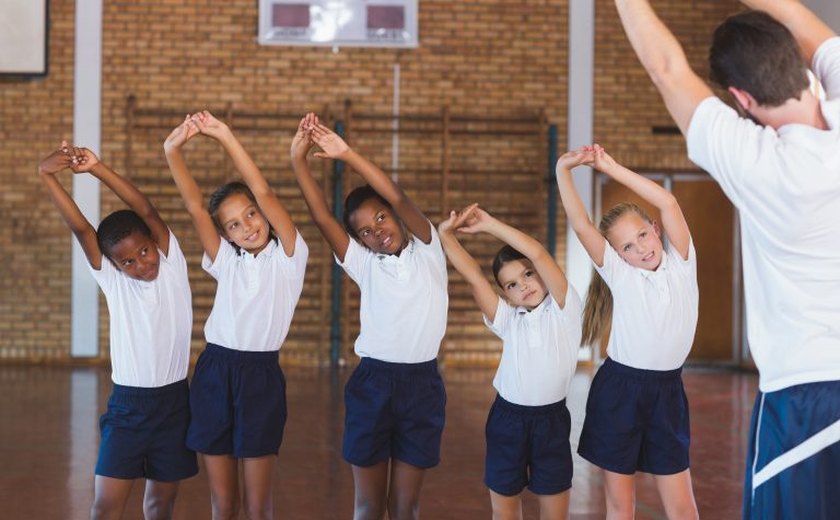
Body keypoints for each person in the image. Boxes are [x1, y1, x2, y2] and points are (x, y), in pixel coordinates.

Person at [612, 0, 840, 516]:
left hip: (804, 393)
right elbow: (801, 19)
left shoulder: (761, 164)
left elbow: (666, 68)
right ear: (804, 67)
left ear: (739, 97)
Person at [290, 113, 448, 520]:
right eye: (364, 231)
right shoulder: (365, 265)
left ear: (396, 218)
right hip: (373, 384)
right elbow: (323, 219)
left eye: (380, 218)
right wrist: (298, 162)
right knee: (367, 505)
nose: (376, 231)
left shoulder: (428, 247)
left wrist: (347, 154)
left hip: (422, 385)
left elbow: (394, 194)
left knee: (405, 506)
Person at [38, 142, 197, 520]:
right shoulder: (116, 282)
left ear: (154, 243)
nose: (141, 264)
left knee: (161, 503)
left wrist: (97, 168)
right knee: (105, 505)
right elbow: (81, 228)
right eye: (127, 261)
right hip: (128, 407)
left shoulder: (172, 263)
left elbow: (145, 208)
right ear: (113, 265)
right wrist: (46, 175)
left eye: (144, 251)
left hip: (175, 404)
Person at [164, 111, 308, 520]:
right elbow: (194, 207)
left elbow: (265, 191)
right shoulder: (226, 261)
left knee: (258, 507)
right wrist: (172, 149)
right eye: (233, 225)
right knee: (224, 505)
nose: (246, 226)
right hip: (214, 371)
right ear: (225, 235)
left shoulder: (290, 258)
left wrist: (225, 135)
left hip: (260, 377)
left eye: (250, 214)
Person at [556, 144, 699, 519]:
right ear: (618, 255)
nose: (640, 249)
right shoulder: (621, 275)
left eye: (643, 236)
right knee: (621, 506)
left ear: (655, 229)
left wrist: (612, 168)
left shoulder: (682, 263)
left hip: (668, 393)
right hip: (620, 392)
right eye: (628, 247)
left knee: (683, 507)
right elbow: (581, 224)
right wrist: (562, 170)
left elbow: (668, 202)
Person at [437, 203, 582, 520]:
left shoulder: (565, 309)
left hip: (551, 422)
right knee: (504, 512)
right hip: (507, 420)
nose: (524, 286)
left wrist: (489, 223)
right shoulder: (508, 319)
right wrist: (445, 235)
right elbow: (474, 277)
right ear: (505, 294)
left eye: (527, 274)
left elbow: (540, 253)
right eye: (512, 285)